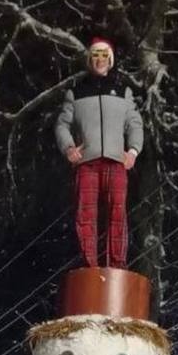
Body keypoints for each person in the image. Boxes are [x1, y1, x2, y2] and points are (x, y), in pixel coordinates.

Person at [55, 36, 143, 269]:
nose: (100, 59)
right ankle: (90, 266)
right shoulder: (76, 92)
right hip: (87, 163)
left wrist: (133, 151)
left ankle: (116, 265)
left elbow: (134, 123)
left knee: (117, 215)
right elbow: (62, 124)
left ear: (110, 59)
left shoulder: (123, 91)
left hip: (116, 162)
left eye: (104, 55)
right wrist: (69, 149)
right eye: (95, 55)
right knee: (86, 216)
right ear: (89, 59)